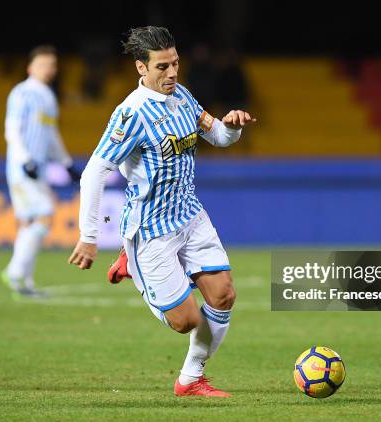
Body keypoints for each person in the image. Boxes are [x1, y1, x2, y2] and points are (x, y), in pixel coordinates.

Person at [68, 26, 255, 397]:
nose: (172, 74)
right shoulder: (130, 114)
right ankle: (131, 262)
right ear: (141, 68)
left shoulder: (182, 97)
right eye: (162, 67)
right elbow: (93, 173)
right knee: (186, 320)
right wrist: (89, 237)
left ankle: (190, 379)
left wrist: (231, 127)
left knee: (223, 295)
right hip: (151, 229)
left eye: (175, 64)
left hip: (190, 215)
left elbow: (216, 134)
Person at [2, 45, 81, 298]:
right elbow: (11, 129)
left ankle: (22, 283)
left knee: (28, 221)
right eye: (44, 64)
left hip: (38, 168)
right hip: (23, 167)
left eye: (52, 65)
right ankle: (15, 272)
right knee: (45, 215)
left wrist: (66, 162)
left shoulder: (48, 96)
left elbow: (51, 134)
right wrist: (25, 160)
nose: (49, 69)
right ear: (30, 68)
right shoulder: (22, 93)